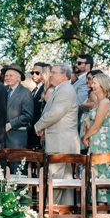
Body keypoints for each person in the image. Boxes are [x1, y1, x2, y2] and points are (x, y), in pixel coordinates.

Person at [34, 64, 80, 206]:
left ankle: (51, 209)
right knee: (64, 177)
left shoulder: (65, 90)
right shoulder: (61, 89)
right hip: (62, 140)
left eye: (54, 73)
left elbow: (54, 114)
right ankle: (64, 208)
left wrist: (38, 126)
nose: (51, 75)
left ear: (64, 76)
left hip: (61, 142)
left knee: (55, 177)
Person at [81, 72, 110, 204]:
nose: (92, 85)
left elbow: (97, 125)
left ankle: (103, 204)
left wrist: (85, 137)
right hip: (94, 139)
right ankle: (94, 203)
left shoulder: (105, 102)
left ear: (102, 85)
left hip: (101, 141)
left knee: (102, 169)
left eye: (95, 83)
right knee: (93, 169)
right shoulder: (97, 101)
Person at [27, 62, 50, 148]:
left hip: (38, 129)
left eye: (37, 73)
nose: (34, 75)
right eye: (32, 73)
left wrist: (31, 124)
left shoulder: (46, 89)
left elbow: (44, 111)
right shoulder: (34, 90)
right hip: (32, 130)